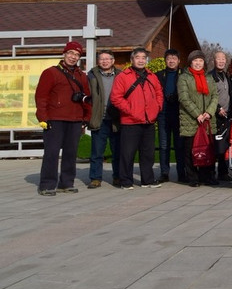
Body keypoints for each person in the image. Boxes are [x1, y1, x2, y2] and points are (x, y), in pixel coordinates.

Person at [35, 41, 91, 196]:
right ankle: (47, 184)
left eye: (77, 55)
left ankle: (66, 183)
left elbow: (87, 98)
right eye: (71, 53)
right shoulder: (51, 73)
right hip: (55, 119)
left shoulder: (82, 76)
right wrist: (43, 117)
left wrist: (86, 116)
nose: (73, 57)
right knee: (52, 152)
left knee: (70, 153)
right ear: (64, 54)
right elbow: (41, 96)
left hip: (75, 120)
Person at [110, 47, 164, 189]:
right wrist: (130, 110)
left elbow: (159, 93)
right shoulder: (123, 76)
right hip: (130, 121)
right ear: (132, 60)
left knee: (148, 153)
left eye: (143, 57)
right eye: (138, 57)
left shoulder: (152, 76)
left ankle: (147, 180)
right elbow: (116, 98)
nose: (141, 60)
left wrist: (157, 108)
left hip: (149, 121)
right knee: (128, 153)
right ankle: (125, 181)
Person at [178, 50, 218, 187]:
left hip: (207, 119)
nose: (198, 63)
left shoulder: (208, 77)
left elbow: (215, 96)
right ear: (190, 62)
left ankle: (207, 176)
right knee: (191, 150)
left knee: (208, 148)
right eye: (195, 60)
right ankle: (193, 177)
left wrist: (209, 112)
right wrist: (197, 114)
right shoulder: (184, 77)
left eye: (200, 60)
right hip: (191, 119)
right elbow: (184, 98)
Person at [87, 50, 120, 188]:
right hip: (99, 117)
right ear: (98, 61)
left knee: (118, 151)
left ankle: (118, 176)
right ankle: (95, 178)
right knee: (97, 151)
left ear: (113, 61)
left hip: (116, 119)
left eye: (108, 58)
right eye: (102, 59)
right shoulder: (92, 75)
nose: (105, 61)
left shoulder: (121, 75)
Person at [156, 49, 183, 183]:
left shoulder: (184, 74)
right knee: (164, 145)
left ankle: (181, 173)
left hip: (179, 115)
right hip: (163, 114)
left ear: (179, 60)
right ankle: (164, 173)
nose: (171, 61)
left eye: (174, 58)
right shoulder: (159, 75)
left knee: (180, 145)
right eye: (169, 58)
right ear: (165, 61)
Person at [209, 51, 232, 181]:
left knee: (224, 144)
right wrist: (217, 109)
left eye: (223, 59)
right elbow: (209, 96)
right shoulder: (210, 76)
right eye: (219, 59)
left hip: (226, 116)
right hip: (215, 116)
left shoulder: (226, 75)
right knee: (214, 145)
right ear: (214, 61)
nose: (221, 61)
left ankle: (223, 172)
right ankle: (211, 173)